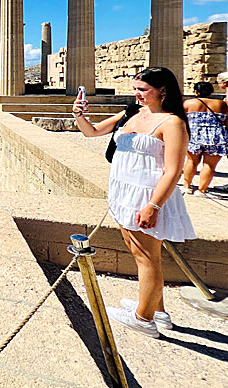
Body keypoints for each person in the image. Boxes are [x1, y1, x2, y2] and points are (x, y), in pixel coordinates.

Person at [72, 67, 196, 338]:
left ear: (163, 90)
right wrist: (79, 115)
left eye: (143, 89)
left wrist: (153, 206)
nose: (137, 94)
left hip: (148, 195)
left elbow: (174, 170)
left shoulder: (171, 122)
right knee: (142, 254)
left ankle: (143, 318)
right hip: (124, 192)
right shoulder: (133, 113)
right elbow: (91, 133)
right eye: (135, 88)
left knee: (147, 257)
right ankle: (157, 311)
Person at [182, 81, 228, 195]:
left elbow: (181, 120)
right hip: (215, 136)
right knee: (209, 165)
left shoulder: (189, 103)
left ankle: (187, 186)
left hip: (194, 135)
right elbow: (226, 121)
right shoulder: (221, 104)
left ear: (196, 91)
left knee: (191, 161)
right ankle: (202, 190)